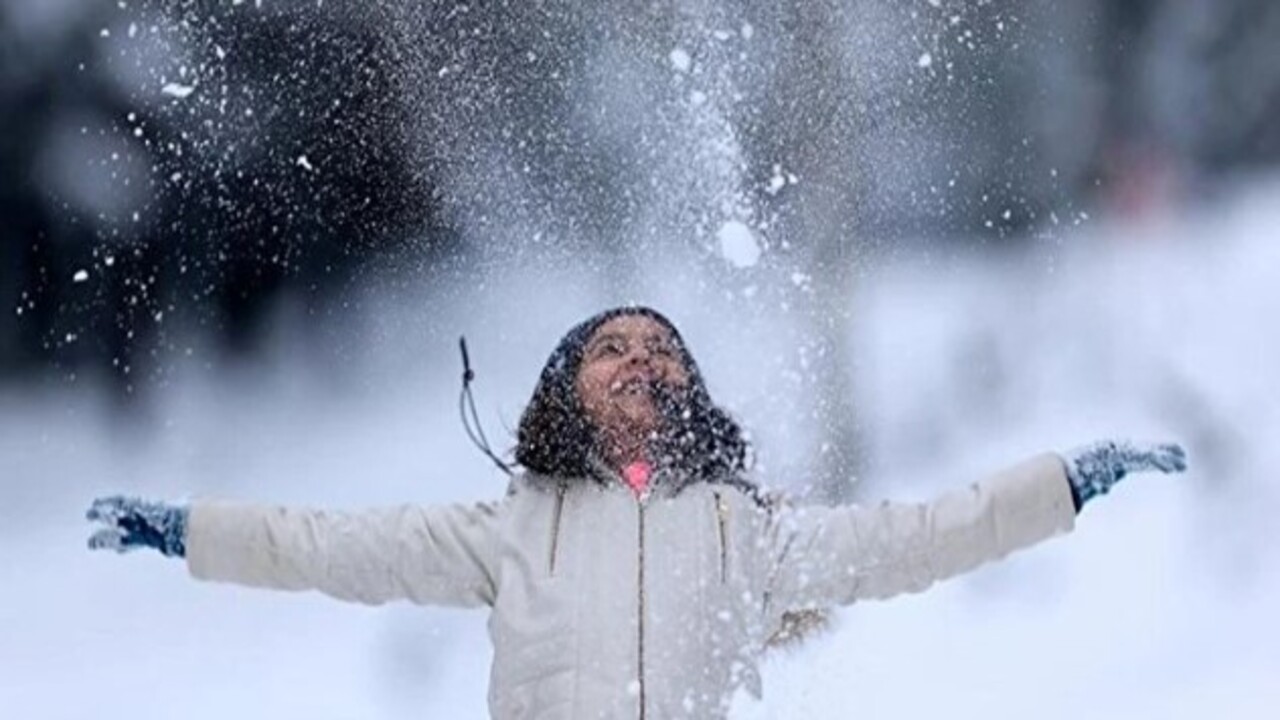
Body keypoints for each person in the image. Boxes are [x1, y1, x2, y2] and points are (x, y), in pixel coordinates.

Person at [87, 306, 1187, 719]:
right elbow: (328, 546)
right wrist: (192, 530)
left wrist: (1062, 484)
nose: (640, 359)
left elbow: (915, 537)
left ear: (688, 394)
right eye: (611, 346)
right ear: (566, 385)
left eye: (662, 350)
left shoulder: (740, 533)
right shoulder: (509, 527)